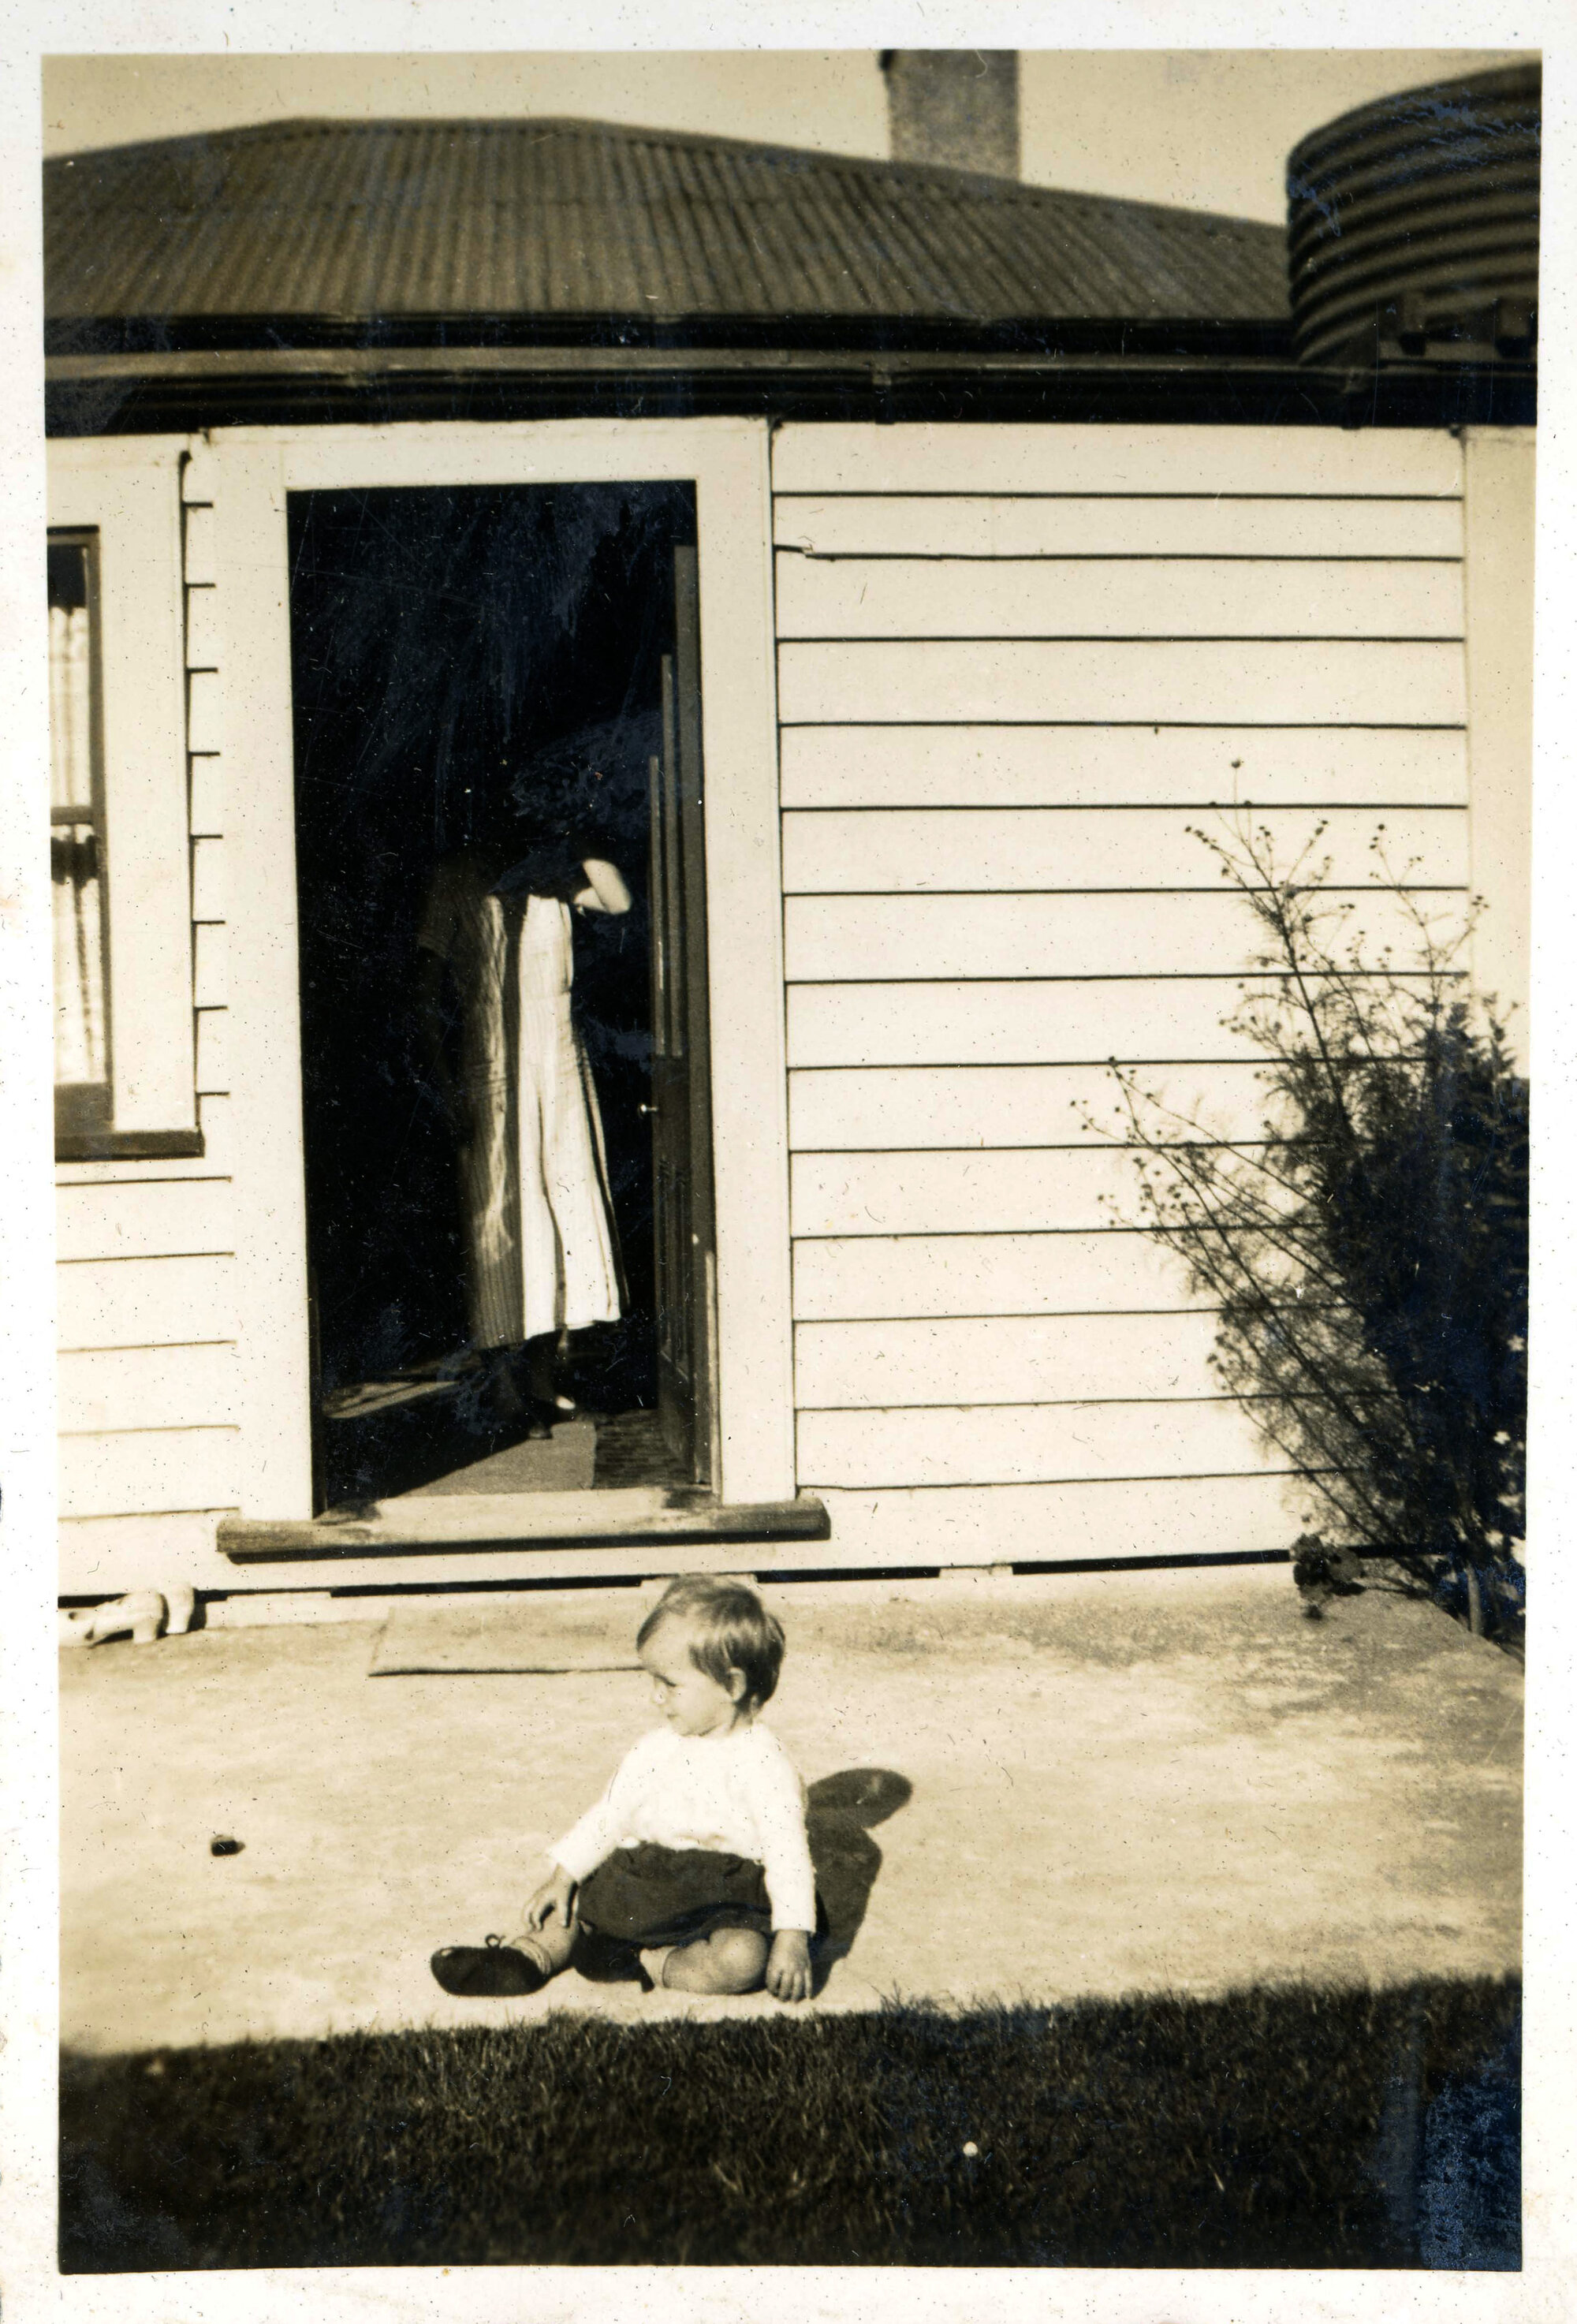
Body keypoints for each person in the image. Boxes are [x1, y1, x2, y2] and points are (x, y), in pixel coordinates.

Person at [431, 1576, 818, 2001]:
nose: (657, 1697)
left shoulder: (766, 1764)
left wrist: (793, 1936)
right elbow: (609, 1816)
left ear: (732, 1686)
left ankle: (655, 1964)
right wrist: (563, 1876)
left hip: (725, 1900)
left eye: (670, 1684)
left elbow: (788, 1854)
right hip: (644, 1883)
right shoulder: (655, 1748)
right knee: (573, 1912)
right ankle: (529, 1957)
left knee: (743, 1958)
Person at [416, 797, 631, 1432]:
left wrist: (578, 837)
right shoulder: (456, 880)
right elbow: (423, 995)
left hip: (558, 1068)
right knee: (506, 1222)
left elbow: (619, 901)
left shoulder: (553, 878)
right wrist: (444, 1086)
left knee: (558, 1219)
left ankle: (539, 1378)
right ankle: (506, 1389)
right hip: (492, 1070)